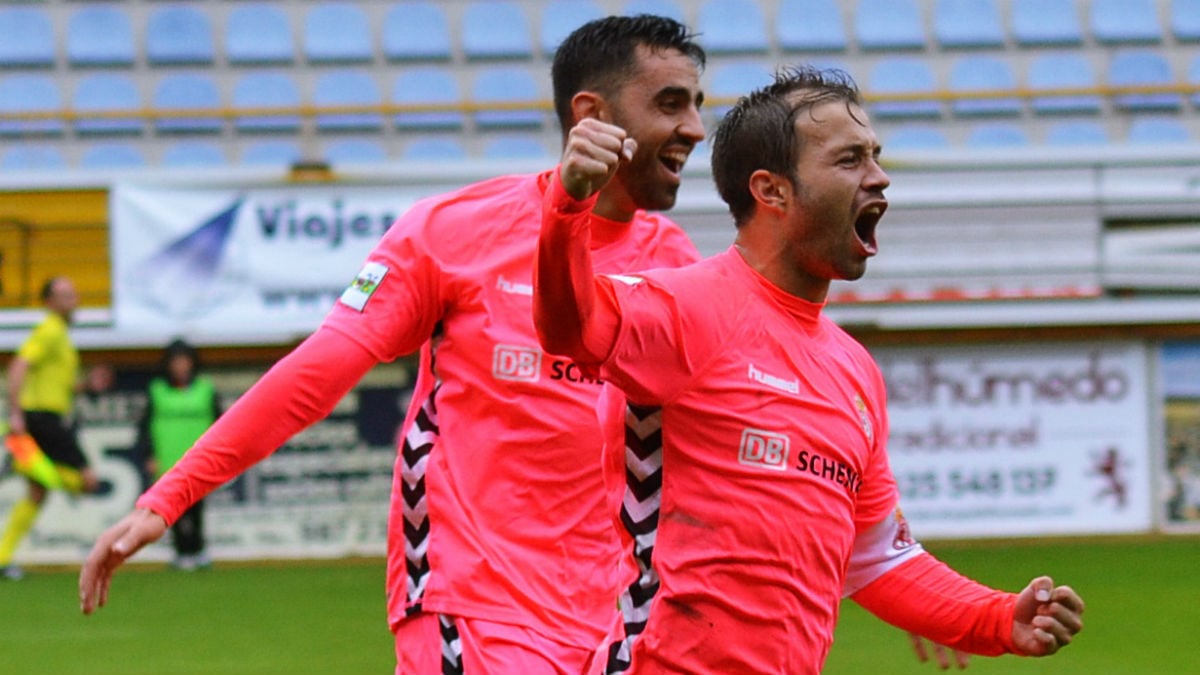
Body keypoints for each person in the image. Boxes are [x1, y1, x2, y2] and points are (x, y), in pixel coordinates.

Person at [80, 15, 706, 675]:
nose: (694, 127)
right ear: (592, 114)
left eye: (696, 103)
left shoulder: (677, 266)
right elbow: (317, 372)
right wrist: (168, 496)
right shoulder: (453, 231)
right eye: (670, 103)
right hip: (468, 606)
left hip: (610, 620)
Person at [531, 65, 1086, 674]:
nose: (879, 177)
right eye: (850, 161)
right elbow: (570, 328)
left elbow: (878, 558)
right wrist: (569, 207)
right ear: (773, 191)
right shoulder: (683, 308)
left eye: (874, 156)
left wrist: (998, 618)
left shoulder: (853, 370)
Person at [0, 276, 101, 580]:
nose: (74, 300)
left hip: (44, 419)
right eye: (66, 295)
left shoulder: (61, 337)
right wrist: (16, 414)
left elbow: (61, 386)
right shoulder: (49, 330)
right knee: (87, 481)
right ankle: (20, 462)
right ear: (49, 302)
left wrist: (85, 386)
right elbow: (18, 366)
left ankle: (3, 558)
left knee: (37, 493)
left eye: (74, 294)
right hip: (39, 420)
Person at [134, 339, 220, 571]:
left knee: (198, 506)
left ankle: (198, 548)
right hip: (169, 458)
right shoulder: (157, 390)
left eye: (185, 361)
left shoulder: (205, 389)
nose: (181, 366)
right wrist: (149, 454)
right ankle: (181, 551)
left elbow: (222, 424)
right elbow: (144, 426)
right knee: (173, 508)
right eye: (176, 361)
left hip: (200, 458)